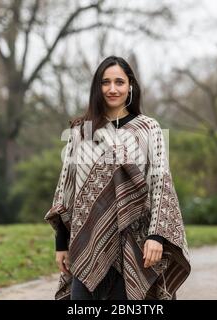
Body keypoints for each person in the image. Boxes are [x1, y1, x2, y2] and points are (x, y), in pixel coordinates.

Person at [45, 56, 191, 300]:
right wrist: (62, 244)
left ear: (130, 86)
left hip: (136, 243)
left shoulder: (148, 129)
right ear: (97, 87)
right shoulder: (81, 130)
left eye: (119, 82)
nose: (112, 89)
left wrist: (157, 237)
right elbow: (66, 191)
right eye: (106, 82)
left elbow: (160, 185)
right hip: (88, 244)